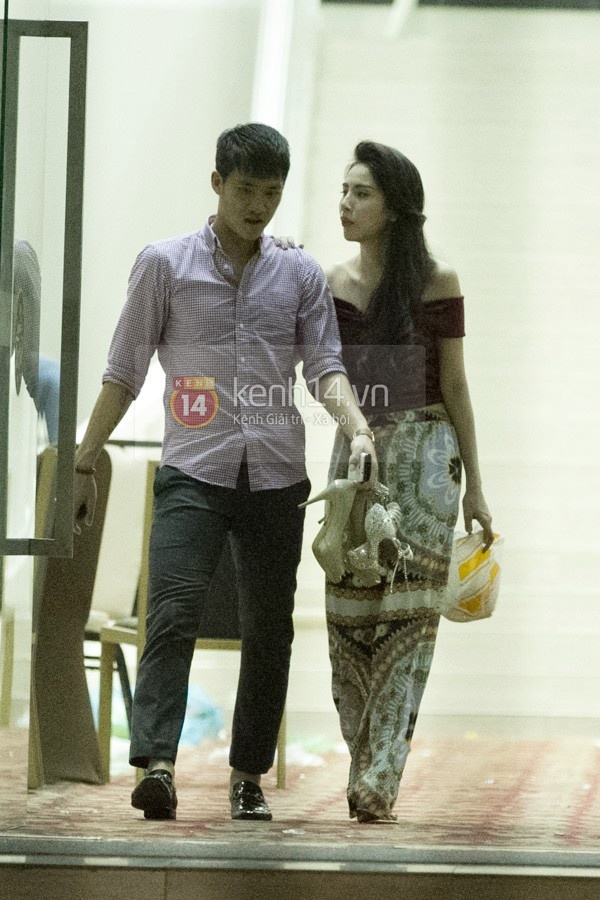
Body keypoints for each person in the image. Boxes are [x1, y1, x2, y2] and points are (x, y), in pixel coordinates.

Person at [73, 123, 377, 823]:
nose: (258, 207)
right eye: (245, 190)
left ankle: (248, 776)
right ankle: (157, 766)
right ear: (217, 183)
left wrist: (357, 425)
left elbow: (325, 366)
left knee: (270, 630)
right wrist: (87, 454)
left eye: (271, 193)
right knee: (172, 612)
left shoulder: (299, 273)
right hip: (194, 469)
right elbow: (124, 369)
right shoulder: (164, 265)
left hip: (276, 473)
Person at [321, 140, 493, 823]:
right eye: (344, 190)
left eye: (361, 192)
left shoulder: (438, 280)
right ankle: (363, 759)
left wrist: (475, 485)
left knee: (408, 626)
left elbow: (455, 384)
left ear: (394, 207)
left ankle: (378, 779)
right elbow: (329, 377)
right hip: (355, 457)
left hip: (427, 458)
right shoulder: (332, 282)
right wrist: (358, 432)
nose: (345, 203)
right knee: (347, 619)